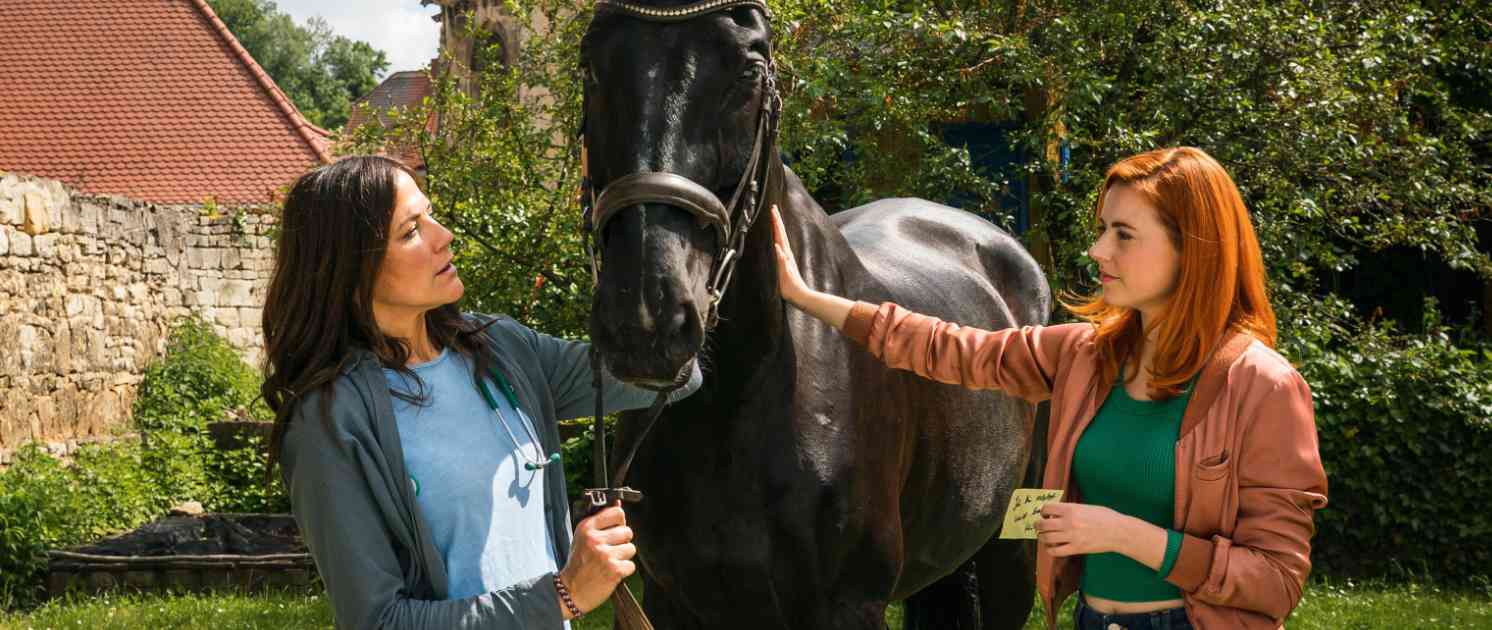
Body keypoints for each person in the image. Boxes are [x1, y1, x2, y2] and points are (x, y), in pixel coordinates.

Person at [769, 147, 1327, 629]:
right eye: (1103, 229)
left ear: (1194, 252)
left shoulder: (1263, 387)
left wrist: (1124, 535)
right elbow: (947, 347)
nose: (1098, 251)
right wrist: (813, 298)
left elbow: (1275, 581)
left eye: (1124, 235)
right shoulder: (1088, 355)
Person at [259, 156, 700, 629]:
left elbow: (674, 375)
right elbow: (379, 620)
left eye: (430, 214)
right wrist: (563, 595)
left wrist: (658, 237)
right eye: (411, 232)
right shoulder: (329, 421)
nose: (442, 235)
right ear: (350, 269)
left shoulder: (501, 349)